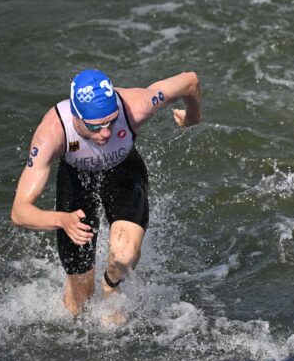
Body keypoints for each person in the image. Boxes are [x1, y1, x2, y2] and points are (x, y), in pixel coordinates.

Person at [11, 69, 201, 320]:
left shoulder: (136, 105)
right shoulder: (53, 132)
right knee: (79, 306)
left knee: (124, 256)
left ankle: (111, 285)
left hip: (123, 173)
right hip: (76, 182)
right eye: (95, 126)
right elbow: (19, 211)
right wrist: (62, 220)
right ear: (76, 116)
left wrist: (193, 116)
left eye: (111, 121)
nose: (106, 133)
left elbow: (190, 81)